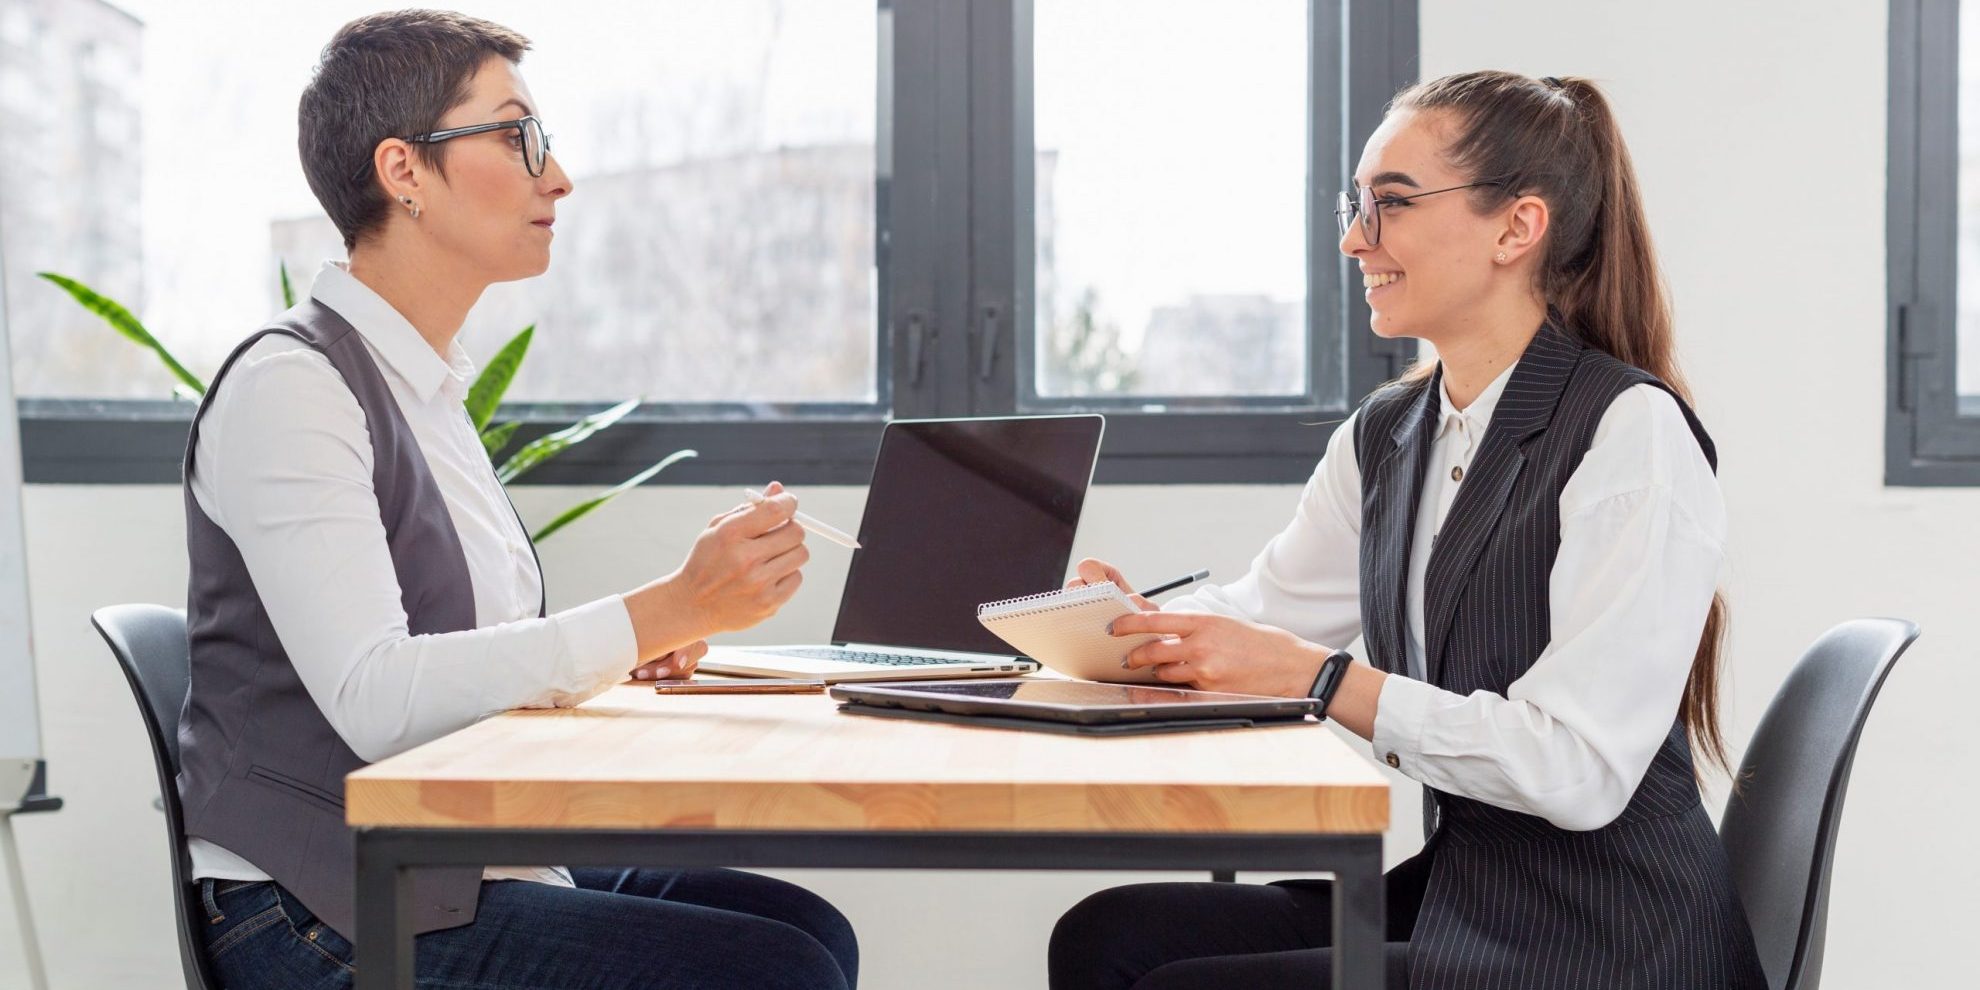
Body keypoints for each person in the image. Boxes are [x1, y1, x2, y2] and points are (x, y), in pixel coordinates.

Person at [175, 10, 856, 989]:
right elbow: (378, 697)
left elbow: (464, 663)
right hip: (314, 911)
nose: (558, 176)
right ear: (402, 171)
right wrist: (667, 605)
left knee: (802, 929)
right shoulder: (295, 387)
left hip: (443, 859)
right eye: (516, 134)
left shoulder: (425, 392)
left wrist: (631, 653)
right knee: (773, 970)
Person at [1047, 71, 1767, 989]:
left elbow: (1577, 767)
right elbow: (1268, 614)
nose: (1355, 239)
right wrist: (1126, 626)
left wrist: (1323, 681)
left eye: (1390, 203)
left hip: (1608, 941)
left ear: (1517, 228)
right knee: (1110, 938)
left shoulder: (1632, 435)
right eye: (1356, 205)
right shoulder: (1389, 434)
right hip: (1469, 891)